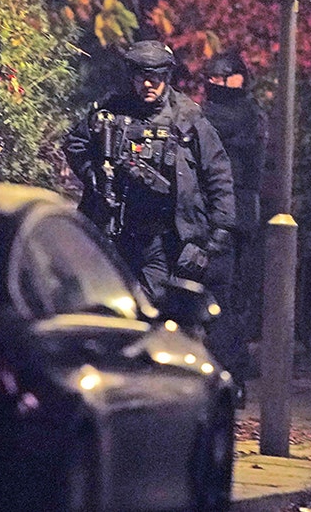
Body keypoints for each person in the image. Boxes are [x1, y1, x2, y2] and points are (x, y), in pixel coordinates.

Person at [64, 40, 235, 315]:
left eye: (156, 77)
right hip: (117, 230)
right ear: (132, 77)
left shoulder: (187, 118)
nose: (148, 84)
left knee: (154, 306)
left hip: (167, 238)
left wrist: (219, 232)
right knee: (110, 303)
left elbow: (218, 174)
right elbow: (75, 144)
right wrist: (94, 176)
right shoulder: (112, 111)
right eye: (142, 76)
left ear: (166, 78)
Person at [201, 52, 269, 392]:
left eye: (222, 78)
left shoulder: (217, 117)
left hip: (223, 215)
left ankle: (228, 370)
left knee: (221, 297)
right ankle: (233, 372)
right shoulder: (254, 116)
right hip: (242, 215)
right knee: (232, 299)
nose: (216, 84)